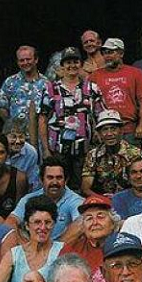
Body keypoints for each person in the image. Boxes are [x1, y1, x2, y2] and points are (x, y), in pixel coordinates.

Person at [39, 46, 105, 189]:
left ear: (81, 64)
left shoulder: (91, 88)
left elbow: (100, 116)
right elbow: (43, 119)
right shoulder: (51, 89)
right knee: (57, 185)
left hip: (84, 149)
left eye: (75, 62)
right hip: (58, 149)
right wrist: (45, 149)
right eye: (68, 62)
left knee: (82, 187)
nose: (72, 66)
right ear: (62, 65)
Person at [7, 156, 83, 245]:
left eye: (59, 178)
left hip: (62, 249)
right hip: (32, 246)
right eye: (50, 177)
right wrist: (25, 246)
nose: (54, 182)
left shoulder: (75, 200)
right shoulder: (28, 199)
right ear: (41, 180)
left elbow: (81, 224)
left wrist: (54, 249)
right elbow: (10, 221)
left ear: (66, 180)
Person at [94, 37, 142, 145]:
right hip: (105, 129)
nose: (107, 56)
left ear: (121, 53)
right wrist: (94, 129)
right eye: (104, 53)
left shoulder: (136, 73)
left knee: (131, 156)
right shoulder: (95, 75)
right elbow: (90, 104)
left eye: (111, 52)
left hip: (129, 129)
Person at [60, 195, 117, 282]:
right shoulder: (72, 249)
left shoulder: (122, 246)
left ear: (113, 223)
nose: (95, 222)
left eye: (100, 217)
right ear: (83, 226)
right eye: (89, 218)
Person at [81, 109, 142, 196]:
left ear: (121, 131)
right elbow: (86, 188)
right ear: (99, 133)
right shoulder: (93, 155)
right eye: (105, 130)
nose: (109, 134)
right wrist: (104, 200)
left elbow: (140, 183)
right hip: (102, 198)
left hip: (128, 197)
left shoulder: (134, 153)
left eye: (113, 129)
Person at [0, 45, 48, 147]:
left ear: (36, 60)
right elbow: (1, 107)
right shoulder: (10, 82)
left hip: (39, 138)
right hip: (15, 139)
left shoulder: (46, 83)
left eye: (28, 59)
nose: (25, 63)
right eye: (21, 60)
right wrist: (13, 124)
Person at [3, 117, 40, 190]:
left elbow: (32, 183)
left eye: (21, 137)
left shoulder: (30, 153)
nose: (17, 141)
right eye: (13, 137)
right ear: (5, 137)